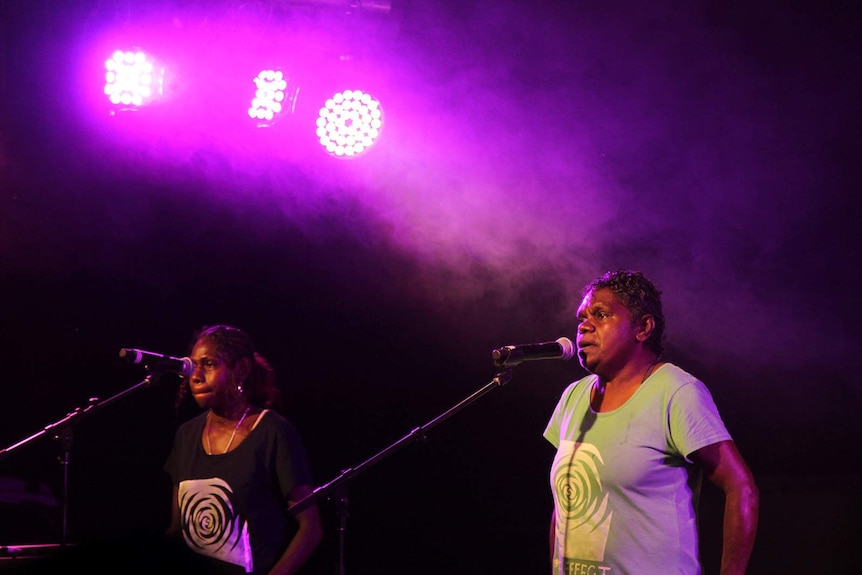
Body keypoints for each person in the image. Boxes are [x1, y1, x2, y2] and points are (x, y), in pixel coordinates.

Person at [544, 270, 759, 575]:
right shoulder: (573, 397)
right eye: (581, 318)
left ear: (643, 327)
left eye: (601, 314)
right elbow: (564, 506)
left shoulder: (674, 391)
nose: (584, 326)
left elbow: (741, 488)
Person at [163, 324, 323, 574]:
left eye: (210, 364)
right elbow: (177, 528)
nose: (196, 375)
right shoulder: (186, 435)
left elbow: (310, 527)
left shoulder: (272, 431)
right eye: (194, 365)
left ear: (241, 370)